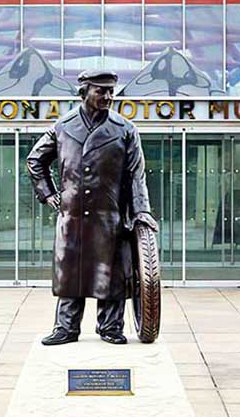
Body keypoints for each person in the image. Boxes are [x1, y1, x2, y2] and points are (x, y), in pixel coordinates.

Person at [26, 70, 158, 346]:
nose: (109, 96)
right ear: (83, 92)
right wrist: (48, 194)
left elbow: (136, 175)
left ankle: (110, 327)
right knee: (70, 274)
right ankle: (66, 327)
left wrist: (141, 211)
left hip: (110, 215)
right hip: (72, 216)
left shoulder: (125, 129)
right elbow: (35, 161)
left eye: (111, 91)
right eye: (102, 90)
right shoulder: (62, 127)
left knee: (110, 275)